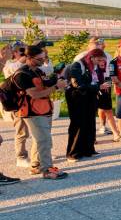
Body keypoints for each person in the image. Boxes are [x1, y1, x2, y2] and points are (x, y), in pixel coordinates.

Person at [13, 45, 68, 179]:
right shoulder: (22, 75)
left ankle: (35, 166)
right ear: (29, 58)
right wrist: (56, 87)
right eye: (40, 59)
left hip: (44, 110)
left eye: (44, 58)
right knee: (44, 140)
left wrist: (57, 78)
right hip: (31, 112)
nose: (43, 61)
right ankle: (47, 169)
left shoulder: (38, 71)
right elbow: (34, 95)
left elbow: (45, 84)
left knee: (39, 140)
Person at [65, 49, 108, 161]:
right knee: (78, 124)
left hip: (89, 96)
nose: (99, 62)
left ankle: (88, 149)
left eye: (101, 60)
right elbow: (77, 84)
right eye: (98, 60)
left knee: (90, 122)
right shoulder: (77, 65)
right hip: (77, 97)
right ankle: (72, 153)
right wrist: (98, 87)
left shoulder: (92, 66)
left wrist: (99, 85)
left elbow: (94, 80)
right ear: (92, 57)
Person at [3, 43, 30, 167]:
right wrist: (27, 57)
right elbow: (16, 69)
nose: (25, 52)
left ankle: (38, 152)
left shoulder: (28, 62)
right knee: (21, 129)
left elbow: (47, 70)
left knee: (37, 130)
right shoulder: (9, 64)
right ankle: (21, 157)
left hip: (31, 100)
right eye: (22, 50)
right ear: (14, 53)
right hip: (17, 102)